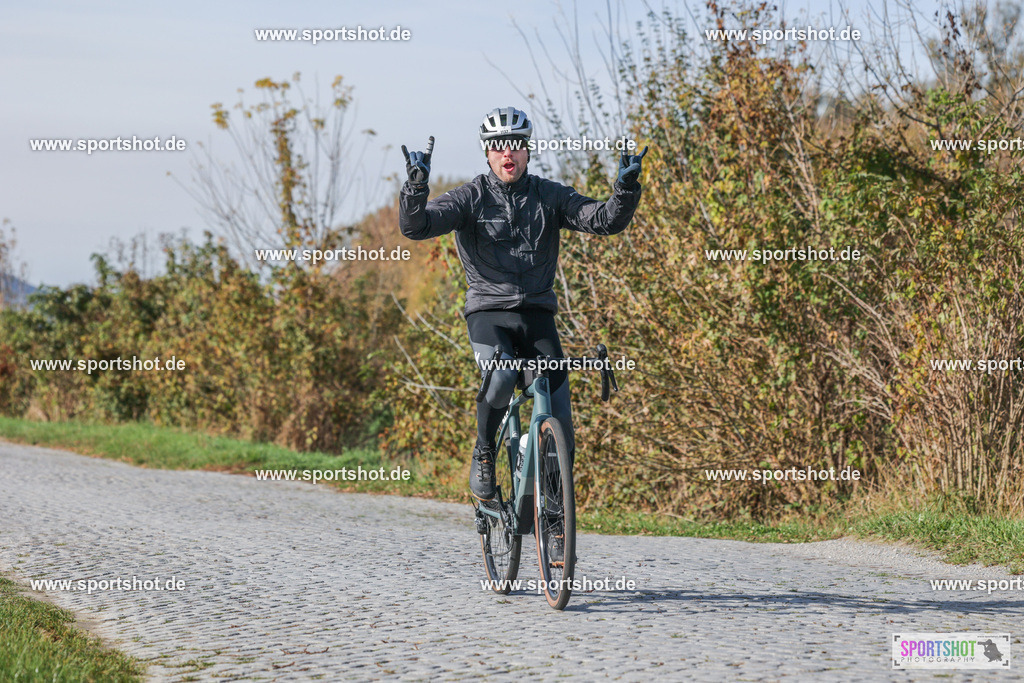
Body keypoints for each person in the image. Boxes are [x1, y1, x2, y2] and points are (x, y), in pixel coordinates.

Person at [398, 106, 646, 502]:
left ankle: (553, 512)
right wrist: (415, 189)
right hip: (488, 314)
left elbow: (603, 220)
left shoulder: (549, 195)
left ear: (528, 151)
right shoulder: (471, 197)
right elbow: (417, 226)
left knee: (559, 417)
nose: (507, 153)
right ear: (487, 153)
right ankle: (483, 451)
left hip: (537, 317)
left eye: (515, 145)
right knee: (500, 376)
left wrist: (625, 192)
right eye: (498, 146)